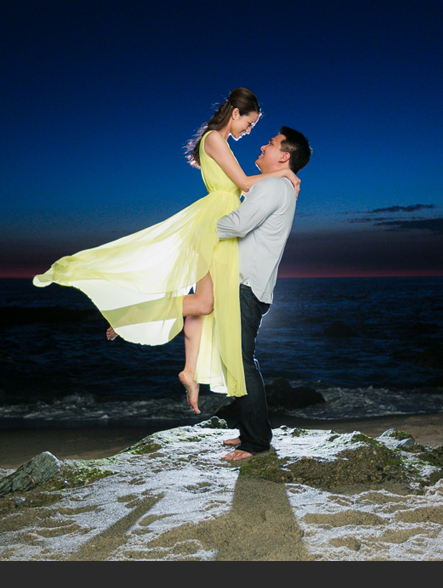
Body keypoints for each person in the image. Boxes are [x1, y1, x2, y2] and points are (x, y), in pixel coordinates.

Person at [32, 88, 299, 410]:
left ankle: (189, 371)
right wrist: (284, 172)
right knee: (205, 301)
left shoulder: (221, 142)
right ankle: (131, 316)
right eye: (250, 123)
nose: (250, 131)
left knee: (203, 304)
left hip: (221, 220)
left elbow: (240, 189)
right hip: (215, 224)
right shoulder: (215, 138)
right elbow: (243, 184)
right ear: (235, 114)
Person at [214, 126, 312, 461]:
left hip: (245, 284)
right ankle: (249, 431)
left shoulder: (273, 186)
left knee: (240, 362)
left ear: (284, 155)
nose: (261, 145)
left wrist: (197, 228)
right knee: (236, 360)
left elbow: (239, 225)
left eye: (269, 144)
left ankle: (255, 442)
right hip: (248, 284)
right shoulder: (279, 185)